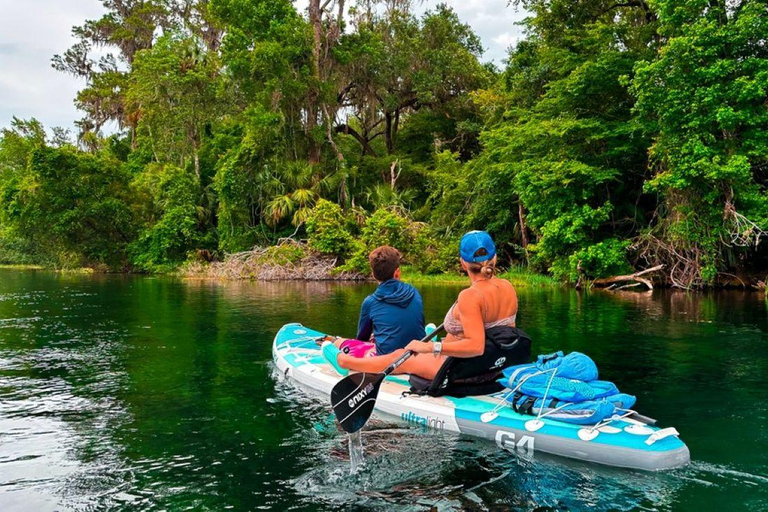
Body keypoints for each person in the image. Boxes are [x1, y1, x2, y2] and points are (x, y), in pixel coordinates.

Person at [335, 230, 518, 380]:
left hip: (457, 367)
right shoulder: (508, 287)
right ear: (495, 257)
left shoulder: (470, 296)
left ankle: (345, 362)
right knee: (415, 349)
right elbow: (502, 334)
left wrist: (432, 347)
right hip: (492, 363)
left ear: (463, 263)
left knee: (401, 356)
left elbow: (476, 346)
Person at [334, 245, 425, 358]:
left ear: (373, 274)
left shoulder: (370, 302)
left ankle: (332, 346)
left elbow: (362, 339)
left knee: (338, 342)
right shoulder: (414, 292)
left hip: (388, 360)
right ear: (397, 272)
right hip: (419, 356)